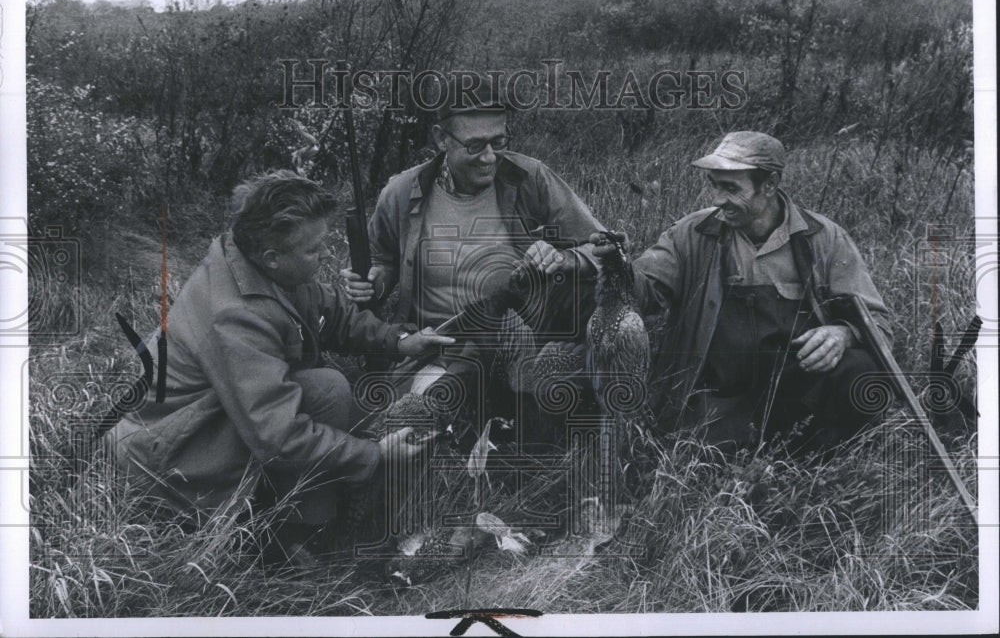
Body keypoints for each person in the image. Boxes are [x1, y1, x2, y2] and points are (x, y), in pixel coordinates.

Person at [110, 170, 454, 565]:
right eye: (315, 250)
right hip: (173, 457)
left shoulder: (262, 262)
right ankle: (286, 544)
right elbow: (280, 436)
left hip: (213, 419)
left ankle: (312, 524)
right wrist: (374, 454)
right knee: (325, 392)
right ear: (273, 256)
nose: (326, 255)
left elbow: (331, 314)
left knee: (327, 389)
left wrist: (399, 340)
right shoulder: (236, 316)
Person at [596, 131, 893, 452]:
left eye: (730, 188)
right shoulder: (693, 233)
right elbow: (645, 295)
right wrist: (620, 268)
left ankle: (821, 455)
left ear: (770, 185)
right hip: (717, 401)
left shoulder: (823, 238)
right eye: (714, 184)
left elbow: (878, 326)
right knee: (708, 455)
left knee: (864, 371)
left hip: (797, 396)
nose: (716, 199)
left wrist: (843, 334)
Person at [340, 78, 606, 424]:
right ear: (440, 138)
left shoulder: (531, 178)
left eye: (499, 141)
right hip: (438, 345)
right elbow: (382, 261)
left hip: (518, 339)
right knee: (414, 424)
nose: (489, 157)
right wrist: (373, 281)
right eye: (475, 145)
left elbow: (606, 247)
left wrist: (564, 258)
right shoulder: (401, 193)